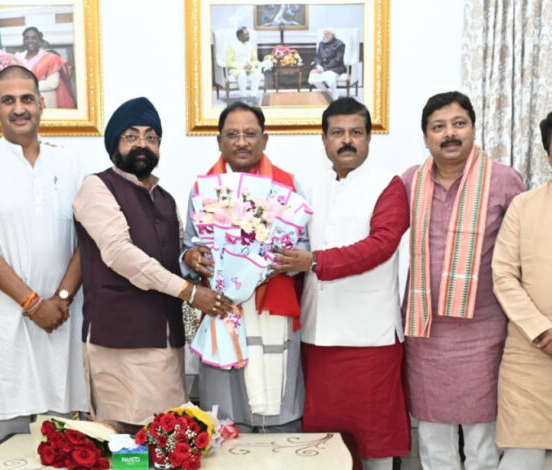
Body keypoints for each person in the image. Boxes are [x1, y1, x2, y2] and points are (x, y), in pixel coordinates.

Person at [72, 97, 230, 433]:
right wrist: (190, 292)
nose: (142, 144)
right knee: (123, 444)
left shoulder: (166, 199)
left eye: (151, 137)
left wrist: (189, 258)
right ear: (114, 143)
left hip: (167, 341)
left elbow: (174, 256)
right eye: (131, 136)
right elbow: (119, 253)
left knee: (167, 439)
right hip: (119, 341)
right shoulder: (96, 187)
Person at [0, 65, 87, 445]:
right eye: (8, 100)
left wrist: (61, 299)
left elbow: (86, 239)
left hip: (61, 318)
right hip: (5, 320)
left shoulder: (70, 162)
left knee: (63, 432)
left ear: (42, 103)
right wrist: (33, 303)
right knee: (6, 436)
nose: (19, 108)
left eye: (27, 99)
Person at [274, 98, 410, 470]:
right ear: (324, 139)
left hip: (370, 336)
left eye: (356, 133)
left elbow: (381, 245)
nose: (346, 140)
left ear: (368, 138)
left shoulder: (388, 185)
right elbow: (289, 241)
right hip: (318, 334)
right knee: (323, 442)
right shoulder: (308, 188)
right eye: (337, 132)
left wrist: (315, 261)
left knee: (375, 439)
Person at [402, 91, 524, 469]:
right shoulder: (409, 182)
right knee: (433, 441)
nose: (450, 134)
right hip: (425, 332)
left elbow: (522, 251)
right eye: (438, 127)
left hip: (484, 332)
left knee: (482, 443)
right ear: (426, 137)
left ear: (473, 128)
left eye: (459, 124)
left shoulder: (504, 180)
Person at [181, 101, 306, 433]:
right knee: (225, 414)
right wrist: (192, 258)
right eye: (232, 134)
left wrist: (280, 261)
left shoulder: (288, 187)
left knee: (279, 415)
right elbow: (188, 248)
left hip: (273, 305)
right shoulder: (202, 189)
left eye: (249, 134)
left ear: (265, 140)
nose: (241, 142)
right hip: (222, 310)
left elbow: (305, 248)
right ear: (219, 141)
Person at [492, 111, 552, 470]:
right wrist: (541, 330)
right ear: (548, 154)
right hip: (531, 352)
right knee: (522, 457)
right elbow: (503, 274)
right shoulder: (524, 205)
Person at [13, 26, 75, 109]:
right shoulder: (17, 58)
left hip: (46, 102)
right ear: (23, 41)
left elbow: (53, 83)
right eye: (27, 38)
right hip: (24, 103)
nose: (30, 41)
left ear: (39, 40)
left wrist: (28, 86)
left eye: (33, 38)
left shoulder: (50, 58)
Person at [308, 28, 345, 101]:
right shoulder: (321, 43)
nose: (325, 36)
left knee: (329, 76)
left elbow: (337, 60)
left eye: (328, 34)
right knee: (313, 76)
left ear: (333, 35)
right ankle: (326, 93)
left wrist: (324, 69)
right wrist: (318, 66)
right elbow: (318, 57)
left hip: (335, 67)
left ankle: (335, 96)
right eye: (324, 34)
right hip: (322, 67)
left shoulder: (340, 44)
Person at [227, 27, 262, 102]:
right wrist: (242, 67)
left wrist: (251, 65)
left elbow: (255, 60)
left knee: (257, 73)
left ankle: (253, 96)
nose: (249, 36)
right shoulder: (232, 46)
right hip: (237, 70)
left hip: (249, 69)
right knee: (242, 74)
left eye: (248, 34)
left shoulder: (250, 45)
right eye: (246, 34)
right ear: (240, 36)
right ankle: (243, 96)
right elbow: (229, 63)